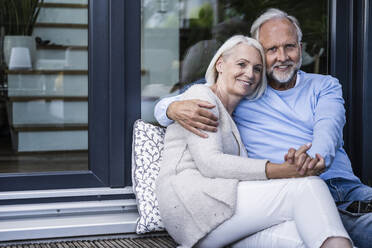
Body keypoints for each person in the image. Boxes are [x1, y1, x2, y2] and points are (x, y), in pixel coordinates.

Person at [154, 8, 372, 248]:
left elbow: (327, 129)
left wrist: (310, 160)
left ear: (300, 48)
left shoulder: (323, 85)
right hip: (286, 193)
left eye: (289, 46)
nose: (282, 56)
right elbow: (196, 96)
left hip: (343, 189)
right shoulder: (242, 89)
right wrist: (169, 109)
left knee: (303, 239)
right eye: (271, 50)